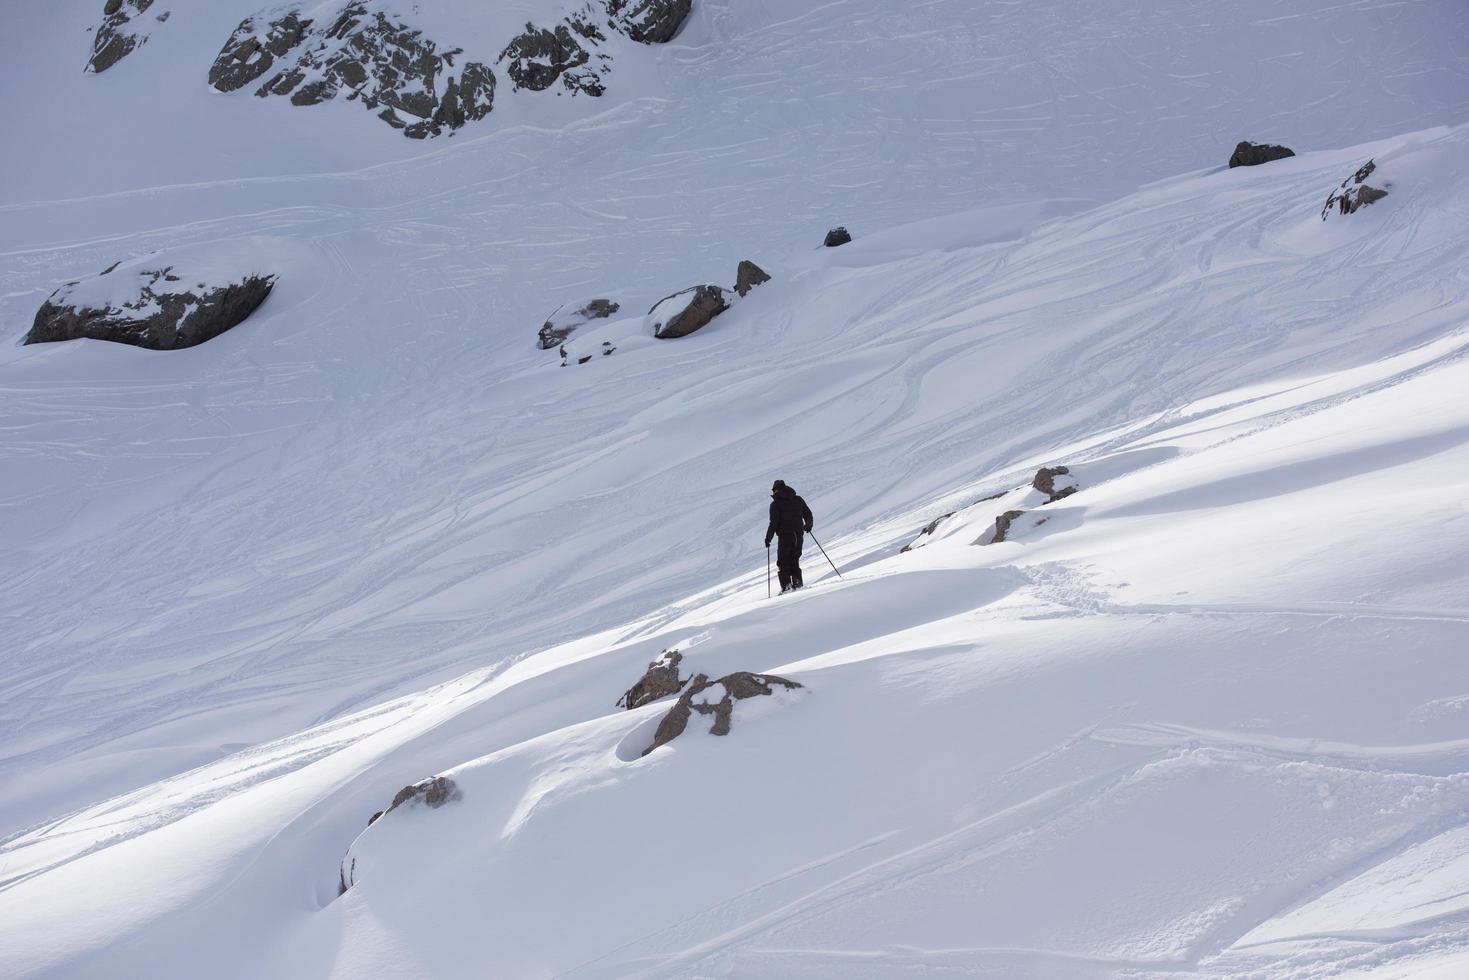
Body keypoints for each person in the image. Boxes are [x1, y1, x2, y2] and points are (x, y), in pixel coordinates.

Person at [764, 480, 813, 593]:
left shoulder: (775, 504)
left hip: (785, 536)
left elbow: (774, 523)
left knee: (783, 561)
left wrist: (768, 538)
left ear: (776, 490)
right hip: (798, 535)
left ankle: (787, 587)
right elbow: (808, 514)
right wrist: (808, 525)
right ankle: (798, 584)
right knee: (794, 559)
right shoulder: (798, 499)